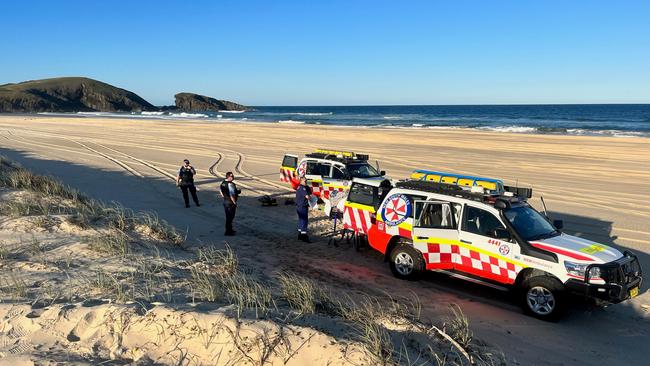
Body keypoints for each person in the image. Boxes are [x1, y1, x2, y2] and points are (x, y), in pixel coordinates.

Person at [220, 171, 239, 236]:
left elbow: (221, 192)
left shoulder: (223, 183)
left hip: (225, 202)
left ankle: (229, 230)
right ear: (228, 177)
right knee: (230, 217)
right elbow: (231, 195)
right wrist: (234, 202)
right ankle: (228, 232)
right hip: (230, 203)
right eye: (232, 176)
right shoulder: (230, 184)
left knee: (228, 217)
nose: (233, 177)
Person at [295, 176, 312, 242]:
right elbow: (308, 197)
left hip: (303, 206)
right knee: (304, 221)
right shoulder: (301, 188)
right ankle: (304, 236)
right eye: (305, 181)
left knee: (301, 220)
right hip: (301, 206)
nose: (306, 182)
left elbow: (310, 193)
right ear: (301, 181)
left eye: (306, 181)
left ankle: (300, 234)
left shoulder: (306, 187)